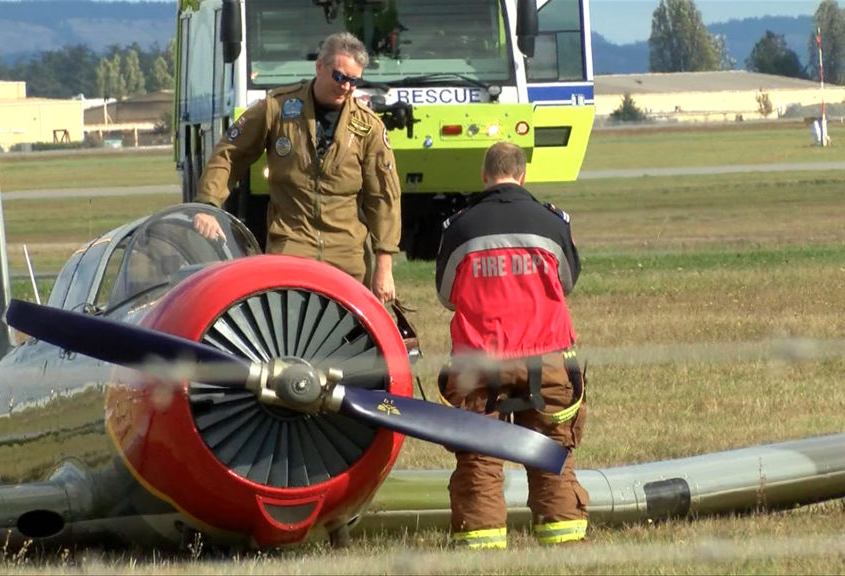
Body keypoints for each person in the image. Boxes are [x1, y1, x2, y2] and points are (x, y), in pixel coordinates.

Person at [434, 141, 589, 549]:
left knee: (478, 457)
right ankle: (563, 538)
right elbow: (567, 283)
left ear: (484, 176)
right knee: (551, 450)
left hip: (477, 363)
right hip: (548, 357)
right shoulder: (553, 222)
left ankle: (481, 545)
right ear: (523, 176)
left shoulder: (460, 226)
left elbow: (447, 294)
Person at [192, 32, 401, 303]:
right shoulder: (277, 109)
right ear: (319, 66)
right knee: (291, 335)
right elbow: (230, 153)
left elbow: (383, 197)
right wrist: (209, 204)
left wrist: (384, 265)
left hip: (348, 256)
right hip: (291, 247)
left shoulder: (367, 127)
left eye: (353, 81)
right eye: (339, 77)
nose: (346, 87)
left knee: (353, 338)